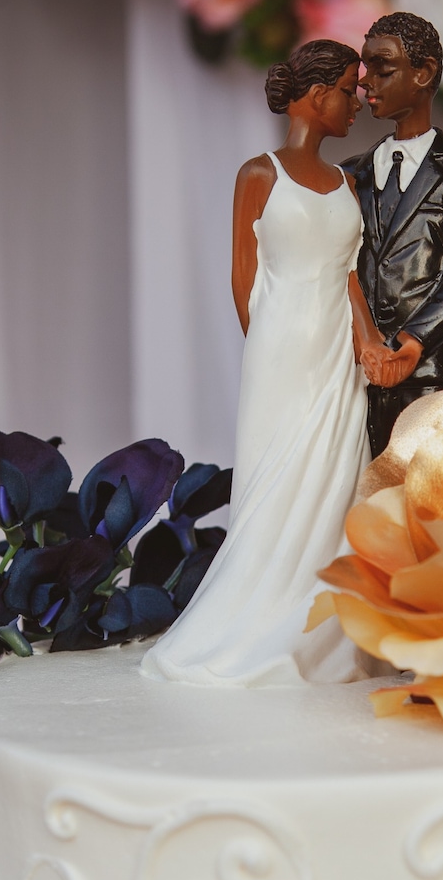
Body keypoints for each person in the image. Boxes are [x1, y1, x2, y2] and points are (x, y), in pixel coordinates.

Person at [140, 40, 392, 688]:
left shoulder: (345, 183)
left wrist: (367, 340)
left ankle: (332, 633)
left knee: (338, 481)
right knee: (276, 485)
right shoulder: (259, 175)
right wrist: (271, 352)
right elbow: (242, 277)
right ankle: (252, 625)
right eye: (346, 87)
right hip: (283, 355)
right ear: (313, 97)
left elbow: (350, 275)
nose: (357, 101)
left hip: (337, 355)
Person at [343, 12, 443, 459]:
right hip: (355, 368)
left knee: (420, 489)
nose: (366, 83)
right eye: (365, 69)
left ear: (423, 73)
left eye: (382, 69)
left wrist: (412, 342)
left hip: (426, 370)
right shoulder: (350, 173)